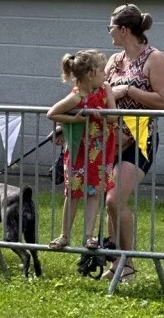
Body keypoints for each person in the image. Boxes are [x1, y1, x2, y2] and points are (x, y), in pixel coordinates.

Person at [103, 3, 164, 282]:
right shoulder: (113, 60)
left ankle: (127, 264)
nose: (108, 31)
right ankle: (114, 261)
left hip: (140, 139)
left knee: (114, 197)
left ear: (123, 29)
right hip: (112, 139)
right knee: (110, 203)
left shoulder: (154, 59)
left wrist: (128, 90)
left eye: (110, 27)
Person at [47, 50, 114, 250]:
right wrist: (74, 119)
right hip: (79, 152)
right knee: (73, 193)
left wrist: (100, 114)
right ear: (92, 73)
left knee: (94, 193)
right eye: (102, 71)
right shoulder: (76, 97)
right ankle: (64, 235)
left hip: (100, 151)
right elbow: (52, 113)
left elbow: (113, 117)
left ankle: (88, 236)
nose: (105, 75)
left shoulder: (106, 89)